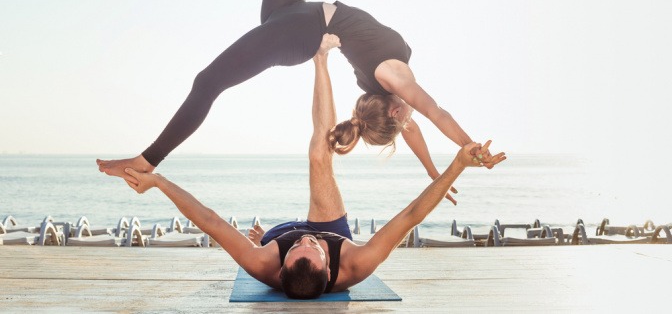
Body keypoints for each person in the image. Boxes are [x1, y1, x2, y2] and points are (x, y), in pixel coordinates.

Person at [97, 0, 499, 188]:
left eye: (405, 117)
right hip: (289, 10)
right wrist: (434, 174)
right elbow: (413, 131)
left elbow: (436, 114)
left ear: (395, 110)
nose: (412, 119)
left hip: (295, 32)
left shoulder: (396, 78)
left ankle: (148, 160)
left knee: (208, 82)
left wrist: (471, 147)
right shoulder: (389, 94)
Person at [123, 40, 505, 299]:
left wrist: (158, 181)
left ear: (281, 266)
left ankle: (319, 57)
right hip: (332, 227)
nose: (306, 239)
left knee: (269, 227)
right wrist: (456, 166)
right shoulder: (355, 264)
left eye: (299, 246)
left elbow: (208, 220)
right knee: (320, 155)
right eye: (312, 247)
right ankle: (320, 58)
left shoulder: (264, 263)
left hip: (272, 238)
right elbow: (410, 215)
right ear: (329, 269)